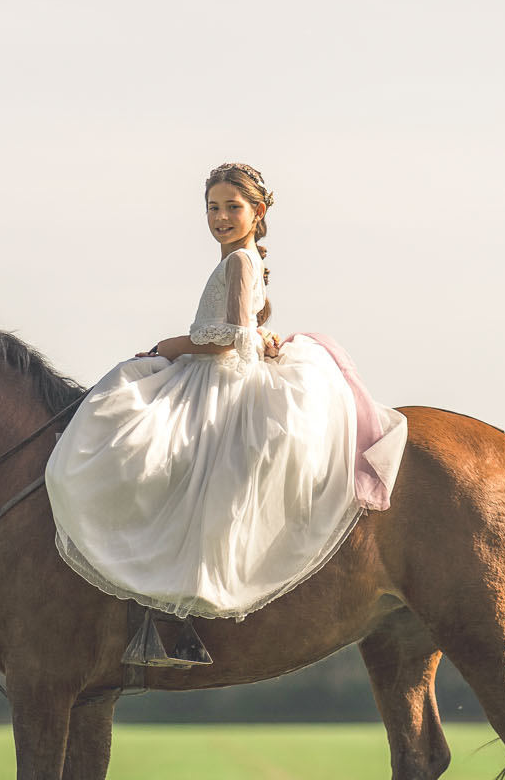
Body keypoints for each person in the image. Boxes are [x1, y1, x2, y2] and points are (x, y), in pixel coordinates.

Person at [45, 164, 408, 668]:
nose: (219, 217)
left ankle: (168, 612)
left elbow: (229, 340)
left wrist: (165, 347)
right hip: (218, 373)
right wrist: (260, 337)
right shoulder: (241, 260)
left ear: (257, 212)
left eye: (231, 207)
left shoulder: (239, 261)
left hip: (220, 381)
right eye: (212, 208)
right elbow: (246, 332)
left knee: (145, 452)